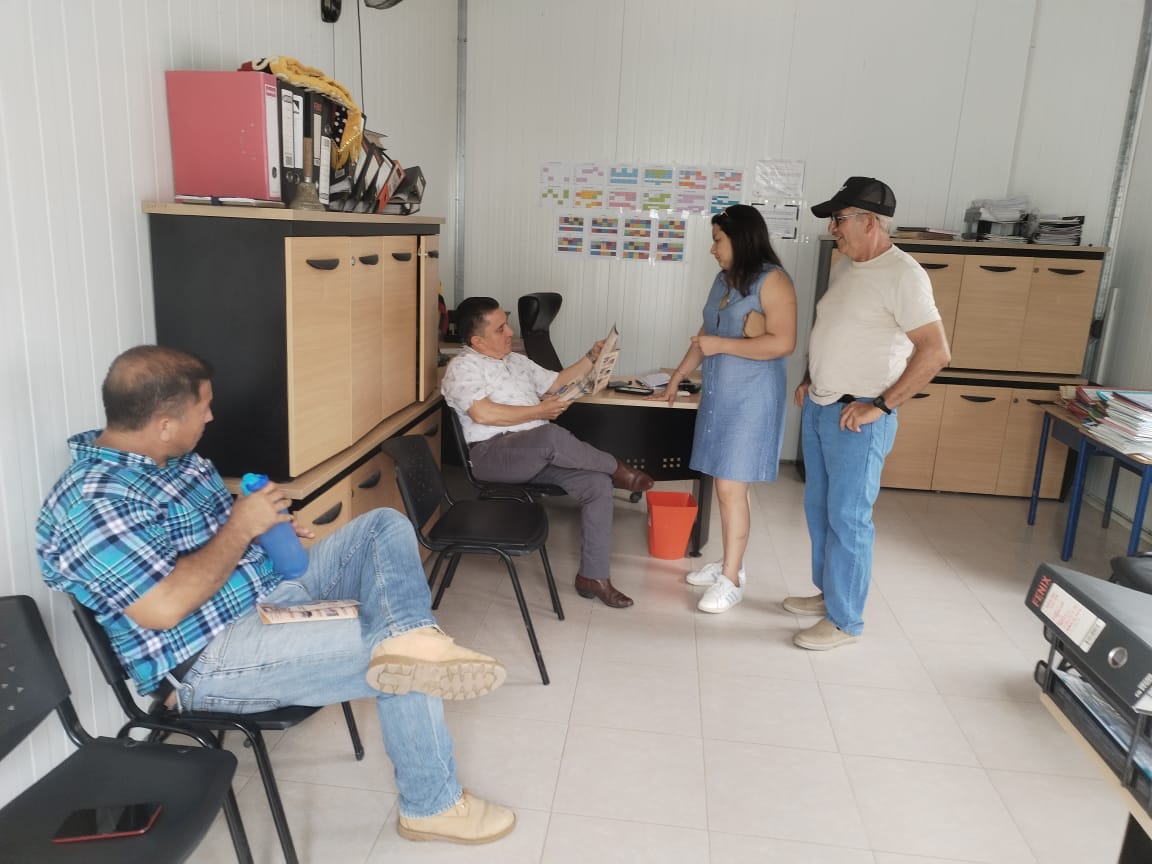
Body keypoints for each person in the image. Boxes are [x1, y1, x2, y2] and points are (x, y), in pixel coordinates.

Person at [36, 345, 516, 845]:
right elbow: (162, 607)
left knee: (383, 526)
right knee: (401, 657)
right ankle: (432, 805)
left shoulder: (176, 461)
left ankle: (410, 635)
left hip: (269, 592)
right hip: (208, 656)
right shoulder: (94, 500)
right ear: (163, 424)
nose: (211, 416)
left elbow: (212, 541)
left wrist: (267, 528)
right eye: (204, 408)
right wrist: (241, 526)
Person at [788, 177, 951, 650]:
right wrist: (810, 377)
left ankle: (845, 621)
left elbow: (936, 352)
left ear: (870, 221)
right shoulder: (845, 265)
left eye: (838, 219)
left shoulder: (904, 275)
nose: (832, 228)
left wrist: (880, 405)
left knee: (849, 518)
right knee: (820, 511)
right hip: (821, 407)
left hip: (856, 419)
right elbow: (835, 329)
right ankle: (829, 595)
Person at [441, 297, 654, 609]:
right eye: (500, 329)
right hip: (494, 454)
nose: (510, 332)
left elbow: (556, 382)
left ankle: (593, 577)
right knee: (551, 436)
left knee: (596, 484)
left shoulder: (515, 360)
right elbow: (482, 413)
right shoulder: (462, 367)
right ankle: (618, 468)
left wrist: (590, 358)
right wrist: (538, 411)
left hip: (534, 451)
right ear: (477, 341)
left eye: (507, 324)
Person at [657, 205, 797, 613]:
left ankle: (731, 580)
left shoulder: (773, 280)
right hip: (720, 395)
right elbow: (706, 332)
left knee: (730, 487)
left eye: (718, 239)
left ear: (742, 239)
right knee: (727, 484)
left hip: (752, 398)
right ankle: (730, 564)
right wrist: (678, 375)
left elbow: (783, 343)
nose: (713, 248)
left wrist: (722, 345)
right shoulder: (723, 279)